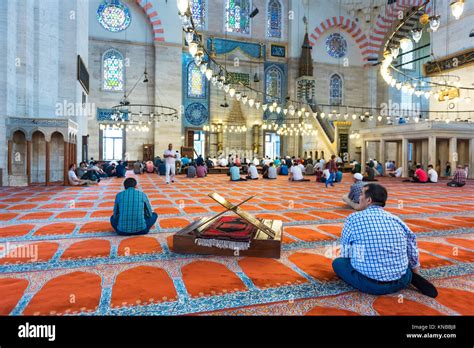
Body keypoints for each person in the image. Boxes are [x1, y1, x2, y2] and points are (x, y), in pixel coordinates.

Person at [332, 183, 437, 298]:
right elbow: (412, 247)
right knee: (401, 262)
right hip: (401, 280)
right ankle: (412, 277)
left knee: (338, 263)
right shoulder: (396, 219)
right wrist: (415, 272)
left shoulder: (352, 219)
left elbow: (346, 253)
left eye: (361, 194)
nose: (358, 198)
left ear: (369, 200)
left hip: (371, 284)